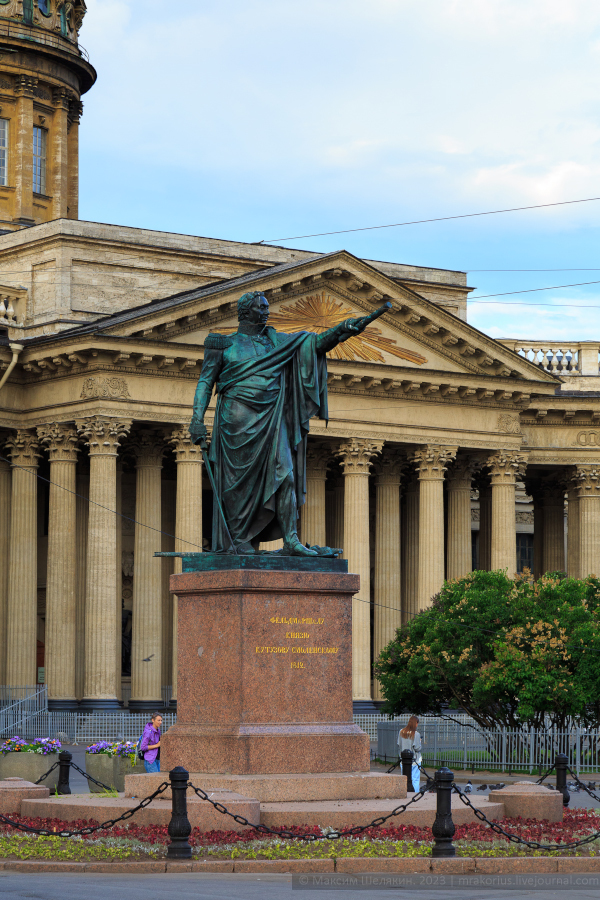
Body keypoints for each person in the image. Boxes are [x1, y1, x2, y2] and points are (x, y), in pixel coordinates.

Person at [189, 290, 372, 555]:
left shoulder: (277, 342)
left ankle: (291, 539)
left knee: (285, 475)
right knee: (237, 487)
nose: (266, 311)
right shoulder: (223, 345)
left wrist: (343, 329)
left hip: (273, 420)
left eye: (266, 307)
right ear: (245, 311)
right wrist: (196, 418)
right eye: (260, 307)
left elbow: (315, 344)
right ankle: (239, 540)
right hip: (235, 423)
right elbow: (206, 381)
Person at [398, 715, 422, 792]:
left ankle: (405, 793)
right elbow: (417, 748)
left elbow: (399, 744)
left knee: (405, 778)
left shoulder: (401, 732)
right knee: (415, 779)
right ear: (416, 723)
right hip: (414, 760)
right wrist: (420, 742)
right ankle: (415, 793)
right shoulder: (416, 734)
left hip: (403, 760)